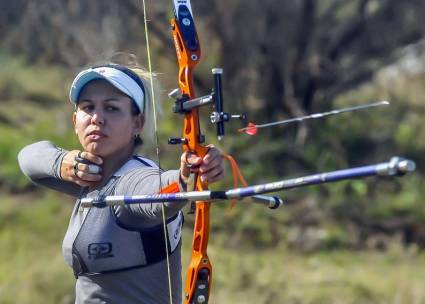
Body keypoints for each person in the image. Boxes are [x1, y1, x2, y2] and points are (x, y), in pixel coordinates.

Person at [17, 62, 224, 304]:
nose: (97, 118)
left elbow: (160, 194)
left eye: (112, 108)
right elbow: (28, 157)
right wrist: (63, 162)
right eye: (88, 107)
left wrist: (184, 176)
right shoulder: (89, 175)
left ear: (137, 123)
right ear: (75, 121)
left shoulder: (134, 178)